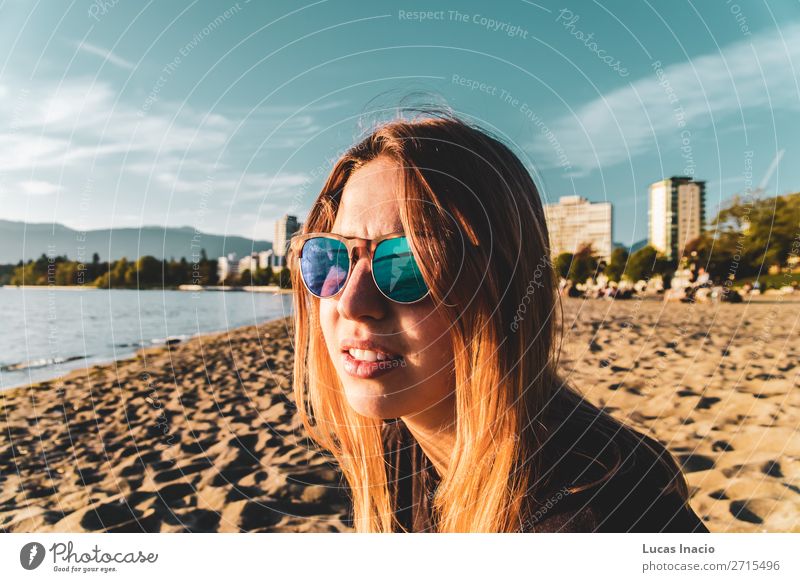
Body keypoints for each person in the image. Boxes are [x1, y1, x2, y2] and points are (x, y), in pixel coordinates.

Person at [289, 114, 708, 533]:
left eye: (410, 262)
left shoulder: (603, 519)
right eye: (330, 258)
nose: (352, 303)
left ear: (506, 286)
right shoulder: (398, 451)